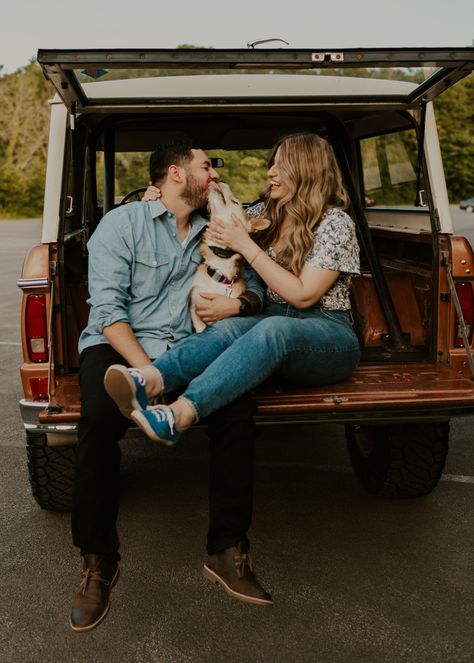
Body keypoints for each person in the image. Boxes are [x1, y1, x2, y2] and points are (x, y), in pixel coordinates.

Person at [69, 139, 272, 634]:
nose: (216, 175)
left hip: (188, 346)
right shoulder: (123, 224)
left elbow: (261, 285)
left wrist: (238, 306)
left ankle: (227, 550)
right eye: (208, 166)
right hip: (120, 346)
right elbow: (109, 312)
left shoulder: (220, 224)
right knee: (96, 419)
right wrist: (143, 374)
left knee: (237, 409)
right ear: (177, 175)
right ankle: (99, 563)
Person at [104, 133, 361, 449]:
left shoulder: (335, 223)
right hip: (272, 322)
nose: (270, 173)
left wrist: (245, 245)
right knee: (227, 330)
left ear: (306, 170)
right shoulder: (266, 212)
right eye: (271, 165)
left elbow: (304, 295)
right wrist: (159, 201)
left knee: (273, 328)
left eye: (280, 166)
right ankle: (148, 380)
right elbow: (211, 210)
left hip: (328, 334)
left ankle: (179, 415)